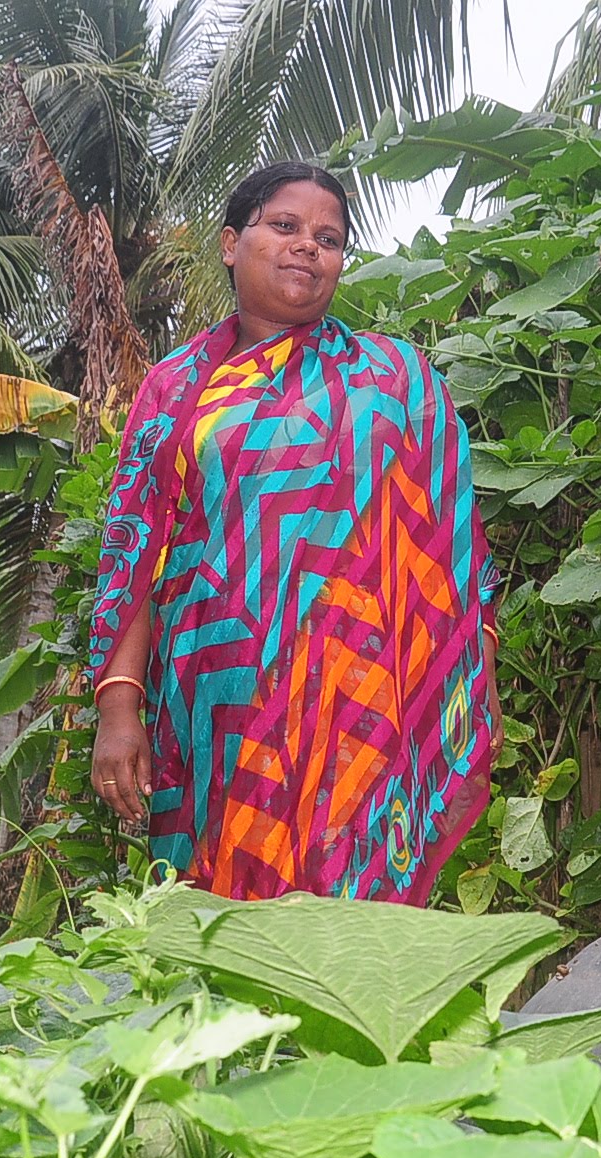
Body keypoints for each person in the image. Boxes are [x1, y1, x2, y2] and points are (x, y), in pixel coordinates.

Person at [85, 161, 501, 904]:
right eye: (285, 226)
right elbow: (132, 556)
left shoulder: (396, 378)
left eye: (329, 238)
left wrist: (477, 681)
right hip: (214, 703)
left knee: (352, 927)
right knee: (214, 922)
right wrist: (119, 708)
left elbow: (453, 549)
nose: (308, 246)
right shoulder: (173, 390)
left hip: (364, 701)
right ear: (228, 243)